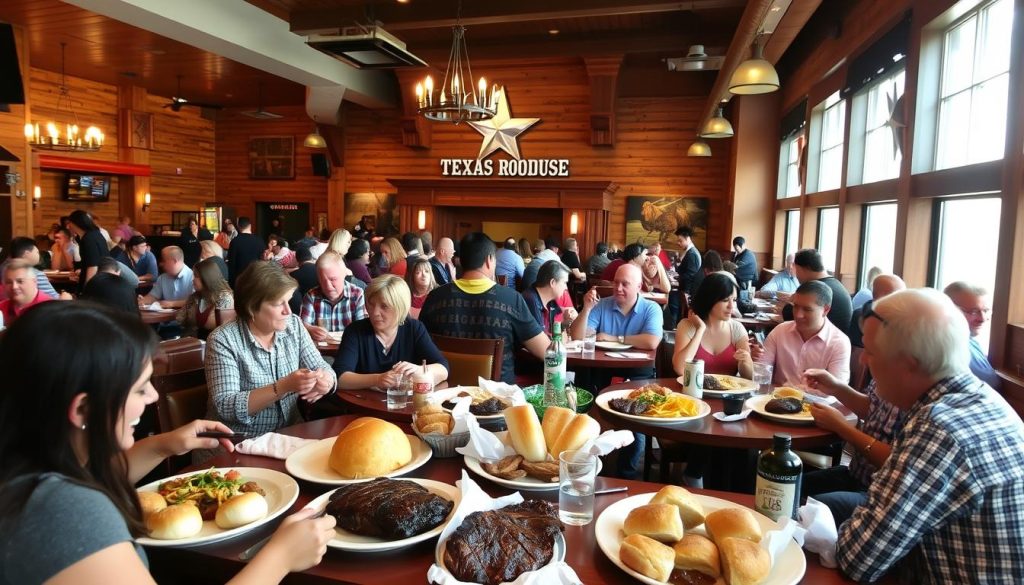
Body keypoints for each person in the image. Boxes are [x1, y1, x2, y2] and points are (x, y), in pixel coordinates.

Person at [0, 302, 337, 585]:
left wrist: (163, 446)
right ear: (83, 408)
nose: (153, 397)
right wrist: (279, 557)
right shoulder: (62, 511)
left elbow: (90, 475)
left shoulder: (25, 476)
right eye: (140, 388)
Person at [836, 288, 1024, 583]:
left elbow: (858, 557)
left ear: (909, 364)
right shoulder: (982, 398)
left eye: (871, 352)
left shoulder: (939, 429)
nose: (863, 362)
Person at [205, 261, 337, 441]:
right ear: (252, 307)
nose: (288, 311)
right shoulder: (223, 340)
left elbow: (321, 366)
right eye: (278, 304)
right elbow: (226, 406)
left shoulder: (294, 325)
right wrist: (283, 387)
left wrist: (326, 381)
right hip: (239, 442)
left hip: (289, 436)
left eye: (288, 301)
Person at [570, 263, 663, 479]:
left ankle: (626, 476)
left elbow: (651, 341)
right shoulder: (603, 306)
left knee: (634, 424)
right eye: (616, 283)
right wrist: (587, 309)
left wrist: (615, 338)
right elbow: (578, 336)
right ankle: (587, 469)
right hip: (601, 373)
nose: (618, 288)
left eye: (625, 284)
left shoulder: (651, 309)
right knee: (585, 412)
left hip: (637, 376)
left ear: (639, 287)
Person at [420, 232, 549, 384]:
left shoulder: (435, 297)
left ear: (461, 261)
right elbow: (547, 352)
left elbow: (419, 348)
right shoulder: (511, 299)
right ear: (489, 260)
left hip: (445, 399)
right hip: (498, 402)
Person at [333, 275, 449, 389]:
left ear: (400, 307)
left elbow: (443, 369)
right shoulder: (355, 331)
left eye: (384, 306)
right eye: (371, 305)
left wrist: (419, 370)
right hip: (363, 403)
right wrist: (378, 379)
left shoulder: (414, 328)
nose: (374, 312)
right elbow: (340, 377)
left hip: (406, 405)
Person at [751, 280, 851, 385]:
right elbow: (760, 373)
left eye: (807, 309)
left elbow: (837, 391)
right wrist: (753, 359)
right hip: (776, 399)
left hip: (817, 401)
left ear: (825, 310)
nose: (798, 315)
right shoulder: (780, 331)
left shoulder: (839, 343)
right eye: (796, 306)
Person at [672, 272, 753, 379]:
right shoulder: (687, 326)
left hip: (728, 393)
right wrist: (700, 329)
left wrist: (746, 361)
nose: (731, 306)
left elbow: (748, 377)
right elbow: (680, 369)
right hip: (692, 394)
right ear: (709, 300)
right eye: (725, 300)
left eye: (733, 300)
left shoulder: (737, 329)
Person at [944, 281, 1002, 391]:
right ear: (949, 310)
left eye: (986, 310)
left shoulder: (969, 341)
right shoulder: (949, 349)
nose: (983, 318)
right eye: (973, 311)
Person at [780, 248, 853, 334]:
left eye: (796, 270)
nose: (796, 276)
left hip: (823, 341)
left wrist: (792, 302)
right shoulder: (836, 284)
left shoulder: (816, 289)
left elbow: (790, 316)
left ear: (801, 268)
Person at [299, 251, 367, 342]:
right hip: (322, 352)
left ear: (344, 275)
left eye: (333, 279)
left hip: (350, 347)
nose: (328, 285)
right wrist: (310, 330)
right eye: (323, 280)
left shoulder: (357, 294)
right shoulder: (311, 296)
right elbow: (302, 327)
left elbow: (362, 329)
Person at [177, 257, 234, 340]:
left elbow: (227, 333)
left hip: (216, 345)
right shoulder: (196, 297)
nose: (192, 280)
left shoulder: (224, 298)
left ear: (207, 278)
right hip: (196, 343)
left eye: (196, 276)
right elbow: (181, 319)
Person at [520, 260, 578, 333]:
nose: (566, 288)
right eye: (564, 283)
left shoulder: (550, 301)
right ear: (552, 282)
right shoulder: (530, 302)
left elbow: (550, 334)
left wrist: (565, 323)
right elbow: (541, 342)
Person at [848, 274, 905, 347]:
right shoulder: (861, 318)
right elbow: (858, 354)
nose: (902, 302)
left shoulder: (904, 321)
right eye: (898, 297)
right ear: (881, 298)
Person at [0, 260, 53, 325]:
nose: (14, 287)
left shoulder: (51, 309)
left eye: (20, 281)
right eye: (9, 282)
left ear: (34, 281)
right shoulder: (1, 308)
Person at [67, 210, 110, 287]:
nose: (68, 226)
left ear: (76, 223)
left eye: (69, 223)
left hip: (97, 284)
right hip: (103, 279)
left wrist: (87, 290)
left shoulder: (89, 239)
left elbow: (93, 266)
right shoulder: (95, 234)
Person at [669, 225, 702, 324]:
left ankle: (673, 326)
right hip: (684, 289)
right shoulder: (689, 252)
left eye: (680, 240)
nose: (678, 243)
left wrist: (677, 278)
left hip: (687, 291)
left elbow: (690, 276)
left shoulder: (692, 254)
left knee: (672, 302)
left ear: (688, 239)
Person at [227, 217, 265, 287]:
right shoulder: (260, 240)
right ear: (250, 226)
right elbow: (262, 259)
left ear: (238, 227)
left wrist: (231, 283)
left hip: (240, 279)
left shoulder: (235, 241)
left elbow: (231, 263)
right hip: (256, 278)